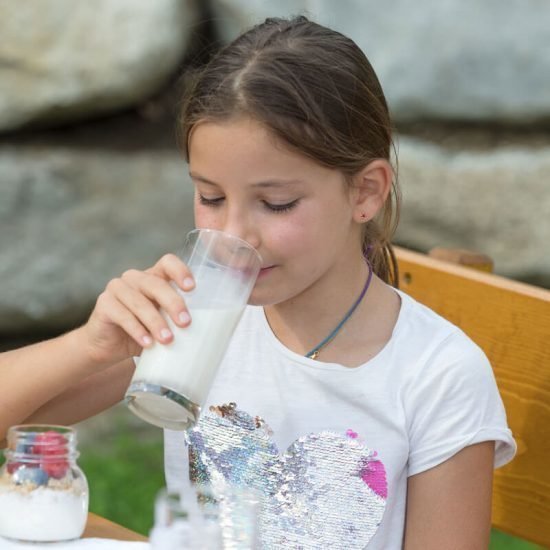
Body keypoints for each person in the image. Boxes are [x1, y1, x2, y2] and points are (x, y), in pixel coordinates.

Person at [0, 16, 515, 549]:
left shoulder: (436, 376)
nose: (233, 234)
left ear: (365, 192)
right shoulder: (198, 320)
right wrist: (90, 346)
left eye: (276, 204)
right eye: (211, 197)